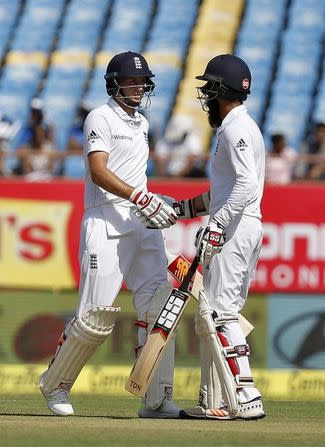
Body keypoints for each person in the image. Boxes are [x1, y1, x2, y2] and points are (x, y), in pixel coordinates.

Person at [38, 51, 181, 419]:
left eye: (142, 81)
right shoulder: (98, 117)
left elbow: (136, 176)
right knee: (95, 315)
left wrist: (151, 198)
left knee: (159, 309)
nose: (138, 87)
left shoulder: (142, 123)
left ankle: (156, 397)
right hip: (106, 222)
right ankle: (55, 384)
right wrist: (138, 195)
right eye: (132, 81)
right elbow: (99, 171)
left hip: (142, 223)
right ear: (114, 83)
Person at [138, 54, 266, 420]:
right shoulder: (241, 127)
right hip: (244, 224)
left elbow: (244, 186)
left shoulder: (235, 129)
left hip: (237, 227)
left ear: (224, 91)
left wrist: (217, 225)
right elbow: (221, 194)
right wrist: (180, 211)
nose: (206, 96)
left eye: (210, 88)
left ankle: (247, 396)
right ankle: (221, 400)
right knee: (219, 314)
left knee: (222, 313)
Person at [16, 98, 57, 180]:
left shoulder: (49, 148)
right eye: (37, 133)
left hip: (46, 178)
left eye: (41, 132)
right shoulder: (27, 148)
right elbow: (27, 170)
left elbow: (50, 168)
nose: (39, 135)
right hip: (31, 178)